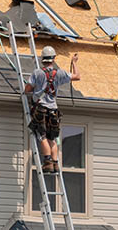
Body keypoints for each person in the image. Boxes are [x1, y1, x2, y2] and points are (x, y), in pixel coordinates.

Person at [24, 46, 80, 174]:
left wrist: (36, 90)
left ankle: (48, 161)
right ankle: (55, 163)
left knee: (42, 135)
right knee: (52, 138)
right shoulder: (59, 73)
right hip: (54, 110)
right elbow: (77, 76)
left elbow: (27, 89)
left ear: (43, 59)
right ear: (54, 58)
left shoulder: (37, 73)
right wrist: (74, 63)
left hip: (41, 109)